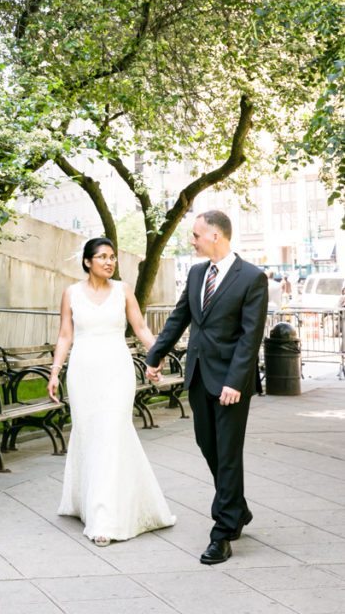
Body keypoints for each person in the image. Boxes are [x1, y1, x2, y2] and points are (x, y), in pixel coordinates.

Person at [146, 210, 268, 566]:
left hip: (231, 382)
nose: (192, 240)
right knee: (208, 445)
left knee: (228, 453)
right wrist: (154, 356)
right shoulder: (198, 272)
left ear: (215, 235)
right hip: (198, 375)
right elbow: (179, 317)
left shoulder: (252, 277)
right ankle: (237, 507)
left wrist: (235, 381)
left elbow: (250, 337)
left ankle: (223, 531)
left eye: (196, 234)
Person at [47, 237, 176, 546]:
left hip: (117, 371)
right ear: (88, 262)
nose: (109, 262)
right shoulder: (71, 294)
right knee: (90, 435)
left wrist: (155, 358)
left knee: (112, 433)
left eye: (113, 257)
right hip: (82, 373)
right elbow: (65, 336)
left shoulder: (123, 291)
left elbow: (142, 329)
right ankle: (85, 502)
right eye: (102, 257)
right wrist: (54, 372)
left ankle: (104, 518)